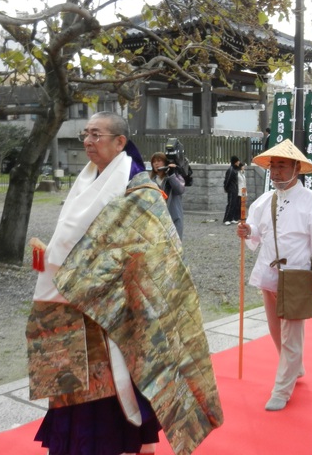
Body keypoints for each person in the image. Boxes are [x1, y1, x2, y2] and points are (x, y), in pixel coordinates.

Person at [27, 112, 222, 455]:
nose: (88, 141)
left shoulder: (139, 186)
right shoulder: (87, 179)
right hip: (74, 305)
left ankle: (134, 442)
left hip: (117, 306)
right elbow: (75, 238)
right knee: (78, 379)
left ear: (120, 142)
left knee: (120, 381)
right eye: (85, 134)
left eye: (96, 135)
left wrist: (83, 267)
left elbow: (151, 249)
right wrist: (54, 256)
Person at [236, 139, 312, 411]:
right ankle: (294, 367)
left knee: (291, 333)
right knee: (275, 328)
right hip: (268, 270)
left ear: (297, 168)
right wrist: (247, 231)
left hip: (296, 274)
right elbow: (256, 232)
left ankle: (282, 389)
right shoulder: (265, 200)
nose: (275, 171)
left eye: (282, 166)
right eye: (273, 166)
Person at [150, 152, 185, 240]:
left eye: (159, 161)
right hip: (157, 219)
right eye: (154, 162)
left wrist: (172, 175)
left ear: (166, 163)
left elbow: (180, 190)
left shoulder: (174, 177)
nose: (156, 164)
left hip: (174, 218)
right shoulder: (150, 181)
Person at [223, 155, 241, 225]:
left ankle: (232, 218)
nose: (239, 162)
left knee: (234, 204)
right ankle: (226, 219)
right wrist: (226, 188)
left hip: (235, 189)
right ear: (235, 162)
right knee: (230, 204)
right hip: (231, 189)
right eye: (238, 161)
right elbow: (227, 180)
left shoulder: (235, 169)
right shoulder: (230, 170)